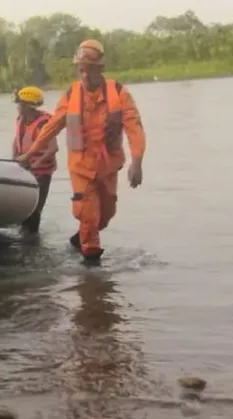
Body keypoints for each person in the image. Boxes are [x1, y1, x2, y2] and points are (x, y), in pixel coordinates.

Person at [17, 40, 146, 266]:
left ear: (101, 68)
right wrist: (30, 154)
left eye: (90, 69)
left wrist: (137, 162)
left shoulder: (119, 93)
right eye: (81, 70)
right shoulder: (70, 95)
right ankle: (90, 268)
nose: (85, 75)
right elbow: (52, 126)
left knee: (105, 215)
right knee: (88, 215)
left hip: (108, 166)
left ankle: (80, 240)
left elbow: (135, 128)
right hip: (81, 167)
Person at [11, 86, 59, 233]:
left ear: (28, 106)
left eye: (20, 104)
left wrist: (35, 163)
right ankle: (24, 235)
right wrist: (14, 159)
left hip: (41, 173)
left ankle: (32, 240)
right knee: (23, 209)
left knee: (34, 210)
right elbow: (16, 140)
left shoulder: (44, 124)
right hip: (24, 171)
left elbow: (53, 148)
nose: (18, 107)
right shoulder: (21, 120)